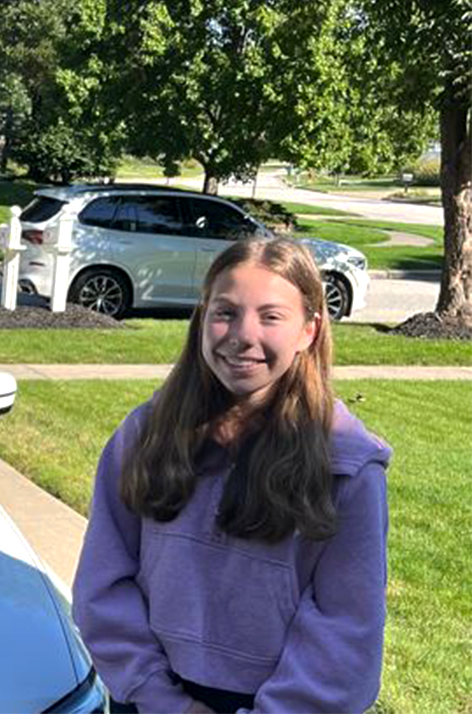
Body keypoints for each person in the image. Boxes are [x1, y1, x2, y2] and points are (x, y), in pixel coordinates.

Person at [72, 238, 391, 714]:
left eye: (270, 316)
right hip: (149, 699)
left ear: (309, 329)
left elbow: (345, 630)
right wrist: (162, 699)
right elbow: (103, 583)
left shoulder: (345, 467)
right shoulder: (146, 436)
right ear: (202, 317)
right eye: (225, 312)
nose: (243, 334)